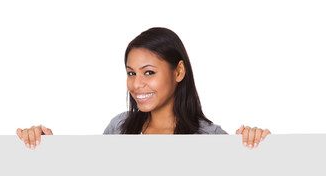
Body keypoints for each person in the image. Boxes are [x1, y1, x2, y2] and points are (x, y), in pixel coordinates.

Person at [16, 27, 271, 150]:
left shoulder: (210, 137)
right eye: (131, 73)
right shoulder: (119, 128)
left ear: (179, 71)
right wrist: (45, 150)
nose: (137, 84)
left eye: (149, 72)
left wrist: (258, 144)